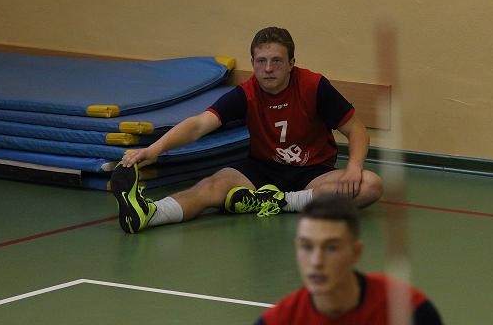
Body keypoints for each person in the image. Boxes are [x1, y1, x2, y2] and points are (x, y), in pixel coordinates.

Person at [111, 26, 383, 234]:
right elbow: (198, 125)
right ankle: (150, 213)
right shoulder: (246, 94)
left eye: (276, 61)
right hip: (261, 170)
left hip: (313, 173)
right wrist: (154, 149)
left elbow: (356, 130)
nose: (268, 69)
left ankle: (280, 201)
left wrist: (354, 167)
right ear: (252, 63)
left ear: (291, 63)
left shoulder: (314, 86)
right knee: (211, 186)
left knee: (370, 185)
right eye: (261, 61)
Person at [256, 195, 443, 324]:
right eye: (307, 246)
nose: (316, 261)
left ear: (356, 252)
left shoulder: (409, 310)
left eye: (331, 247)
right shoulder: (277, 321)